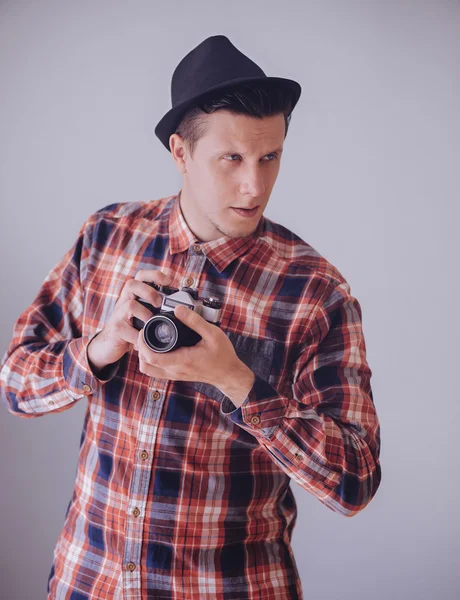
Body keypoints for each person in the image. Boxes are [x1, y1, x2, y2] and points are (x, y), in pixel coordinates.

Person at [0, 34, 382, 600]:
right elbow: (14, 383)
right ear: (180, 153)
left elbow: (354, 480)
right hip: (89, 582)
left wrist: (235, 381)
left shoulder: (315, 291)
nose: (255, 186)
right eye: (231, 158)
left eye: (269, 156)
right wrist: (100, 349)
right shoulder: (106, 237)